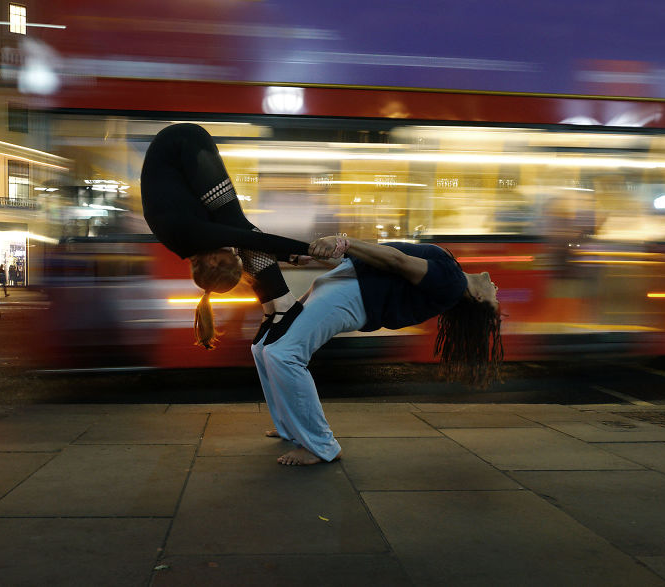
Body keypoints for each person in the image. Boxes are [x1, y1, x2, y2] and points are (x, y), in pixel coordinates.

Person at [253, 235, 503, 466]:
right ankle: (290, 426)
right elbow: (381, 261)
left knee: (283, 354)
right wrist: (330, 254)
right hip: (346, 282)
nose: (497, 290)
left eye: (496, 299)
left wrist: (343, 242)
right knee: (263, 347)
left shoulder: (452, 282)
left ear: (478, 298)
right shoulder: (451, 274)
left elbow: (397, 261)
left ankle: (320, 446)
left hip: (353, 295)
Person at [141, 123, 311, 348]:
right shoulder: (192, 243)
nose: (233, 251)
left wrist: (306, 249)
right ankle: (271, 309)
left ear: (212, 261)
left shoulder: (193, 236)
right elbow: (244, 242)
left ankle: (285, 305)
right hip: (176, 160)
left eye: (231, 256)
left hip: (183, 141)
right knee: (240, 236)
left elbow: (253, 239)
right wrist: (290, 256)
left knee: (237, 224)